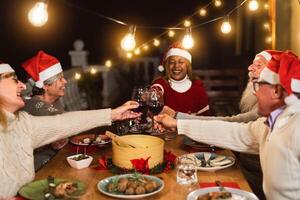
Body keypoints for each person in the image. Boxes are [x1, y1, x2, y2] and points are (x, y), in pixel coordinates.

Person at [154, 51, 300, 199]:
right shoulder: (266, 125)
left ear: (276, 90)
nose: (254, 93)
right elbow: (230, 131)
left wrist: (177, 120)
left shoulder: (296, 128)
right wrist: (178, 123)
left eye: (257, 85)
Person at [0, 62, 140, 198]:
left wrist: (112, 114)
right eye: (14, 80)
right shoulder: (32, 111)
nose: (23, 86)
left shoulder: (22, 123)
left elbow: (63, 122)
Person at [21, 51, 69, 171]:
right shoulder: (35, 105)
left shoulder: (54, 101)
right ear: (45, 86)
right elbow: (67, 123)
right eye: (60, 79)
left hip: (57, 161)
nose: (65, 81)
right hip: (39, 170)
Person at [151, 42, 209, 115]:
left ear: (187, 66)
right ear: (167, 66)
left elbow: (205, 117)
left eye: (181, 62)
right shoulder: (161, 83)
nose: (176, 66)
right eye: (172, 62)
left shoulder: (197, 86)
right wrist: (151, 95)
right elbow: (155, 91)